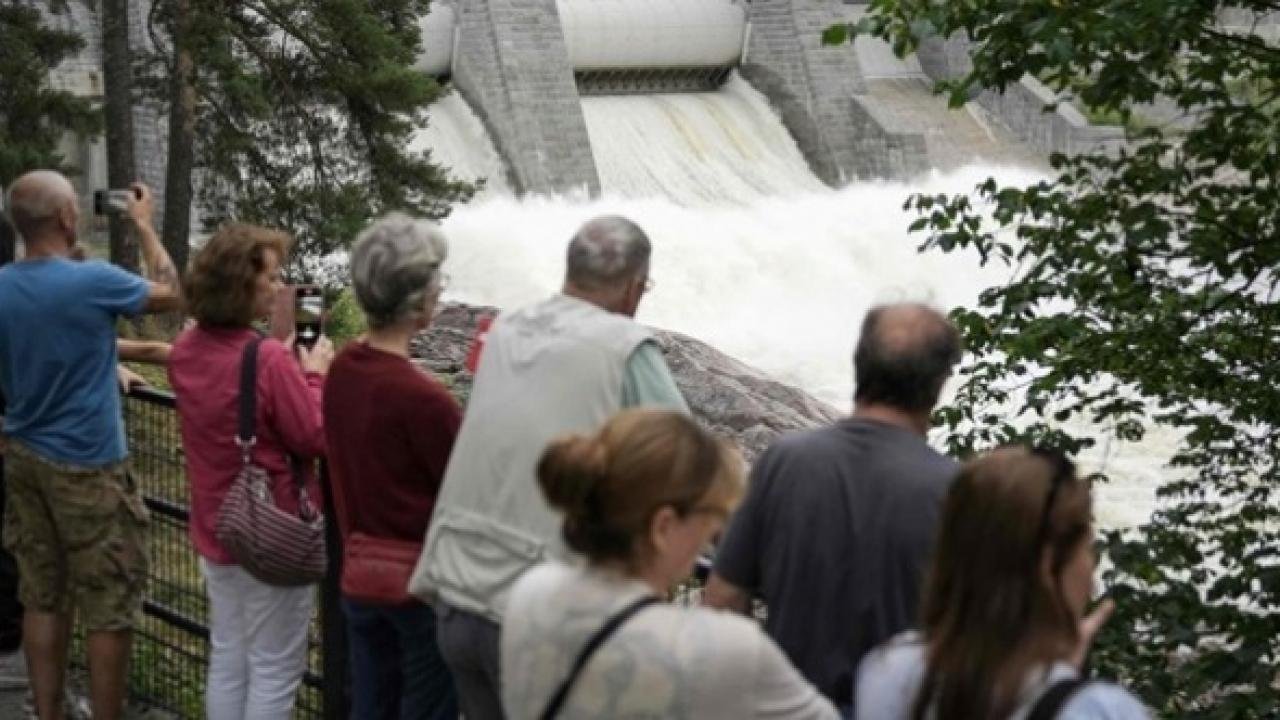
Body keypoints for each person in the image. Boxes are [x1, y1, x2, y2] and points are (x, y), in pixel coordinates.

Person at [408, 215, 688, 719]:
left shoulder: (508, 329)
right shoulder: (623, 348)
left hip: (457, 594)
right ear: (632, 287)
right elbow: (689, 466)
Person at [704, 303, 963, 713]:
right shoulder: (958, 493)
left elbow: (722, 599)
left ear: (859, 364)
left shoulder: (786, 461)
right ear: (940, 383)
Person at [503, 409, 839, 720]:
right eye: (714, 517)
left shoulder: (529, 590)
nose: (715, 534)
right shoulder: (726, 650)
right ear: (663, 527)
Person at [0, 171, 182, 720]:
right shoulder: (93, 282)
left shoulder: (3, 284)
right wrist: (146, 228)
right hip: (90, 465)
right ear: (64, 219)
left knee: (42, 594)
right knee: (109, 601)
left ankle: (46, 712)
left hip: (25, 459)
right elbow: (174, 293)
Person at [168, 224, 333, 720]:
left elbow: (231, 388)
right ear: (243, 284)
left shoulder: (186, 349)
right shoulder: (266, 361)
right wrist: (313, 375)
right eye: (271, 276)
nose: (278, 284)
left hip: (218, 526)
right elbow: (313, 437)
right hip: (274, 531)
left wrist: (282, 364)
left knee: (230, 656)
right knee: (274, 669)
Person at [855, 447, 1149, 719]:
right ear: (1048, 567)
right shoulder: (1102, 710)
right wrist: (1063, 685)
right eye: (1088, 548)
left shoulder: (884, 671)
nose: (1091, 565)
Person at [323, 214, 460, 719]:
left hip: (360, 575)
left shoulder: (342, 371)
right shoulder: (426, 400)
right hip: (421, 590)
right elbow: (462, 493)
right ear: (420, 302)